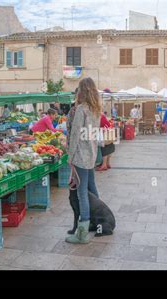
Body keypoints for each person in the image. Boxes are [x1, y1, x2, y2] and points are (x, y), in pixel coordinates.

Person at [66, 77, 102, 244]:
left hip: (80, 155)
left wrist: (70, 155)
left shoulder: (81, 109)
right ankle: (97, 220)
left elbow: (74, 135)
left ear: (82, 91)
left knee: (82, 194)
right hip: (92, 154)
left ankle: (82, 233)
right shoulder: (96, 110)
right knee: (92, 188)